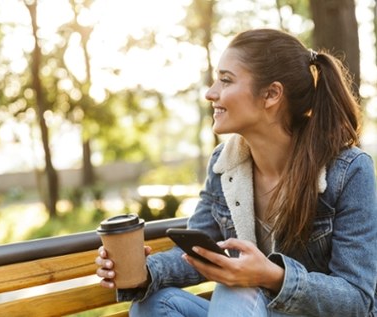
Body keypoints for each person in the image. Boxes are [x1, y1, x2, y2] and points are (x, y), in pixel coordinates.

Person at [96, 28, 377, 316]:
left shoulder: (349, 171)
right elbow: (200, 250)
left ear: (271, 94)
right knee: (152, 304)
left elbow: (357, 299)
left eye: (226, 80)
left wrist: (271, 276)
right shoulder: (225, 163)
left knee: (238, 290)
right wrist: (142, 271)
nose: (210, 93)